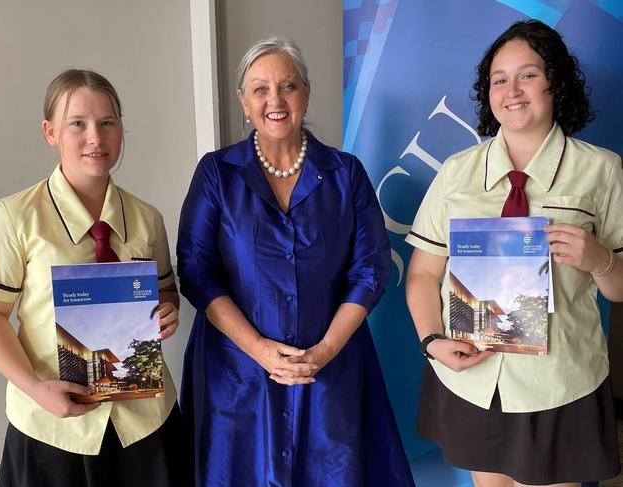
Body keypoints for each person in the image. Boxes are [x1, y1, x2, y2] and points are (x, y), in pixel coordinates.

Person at [177, 36, 414, 486]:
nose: (275, 100)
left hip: (330, 369)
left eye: (287, 86)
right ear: (243, 101)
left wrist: (322, 352)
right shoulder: (216, 174)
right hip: (237, 372)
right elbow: (196, 271)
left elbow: (371, 270)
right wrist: (260, 350)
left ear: (306, 94)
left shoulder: (347, 174)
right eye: (260, 89)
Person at [405, 19, 623, 487]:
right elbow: (423, 274)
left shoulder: (601, 171)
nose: (512, 90)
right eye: (498, 80)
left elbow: (620, 288)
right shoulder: (457, 172)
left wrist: (599, 259)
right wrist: (431, 341)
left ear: (555, 83)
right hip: (476, 377)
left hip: (559, 382)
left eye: (528, 74)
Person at [0, 69, 189, 486]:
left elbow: (166, 291)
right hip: (53, 428)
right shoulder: (16, 218)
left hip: (144, 425)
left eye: (108, 122)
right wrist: (36, 389)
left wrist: (167, 311)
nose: (96, 137)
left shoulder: (147, 219)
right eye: (78, 124)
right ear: (49, 131)